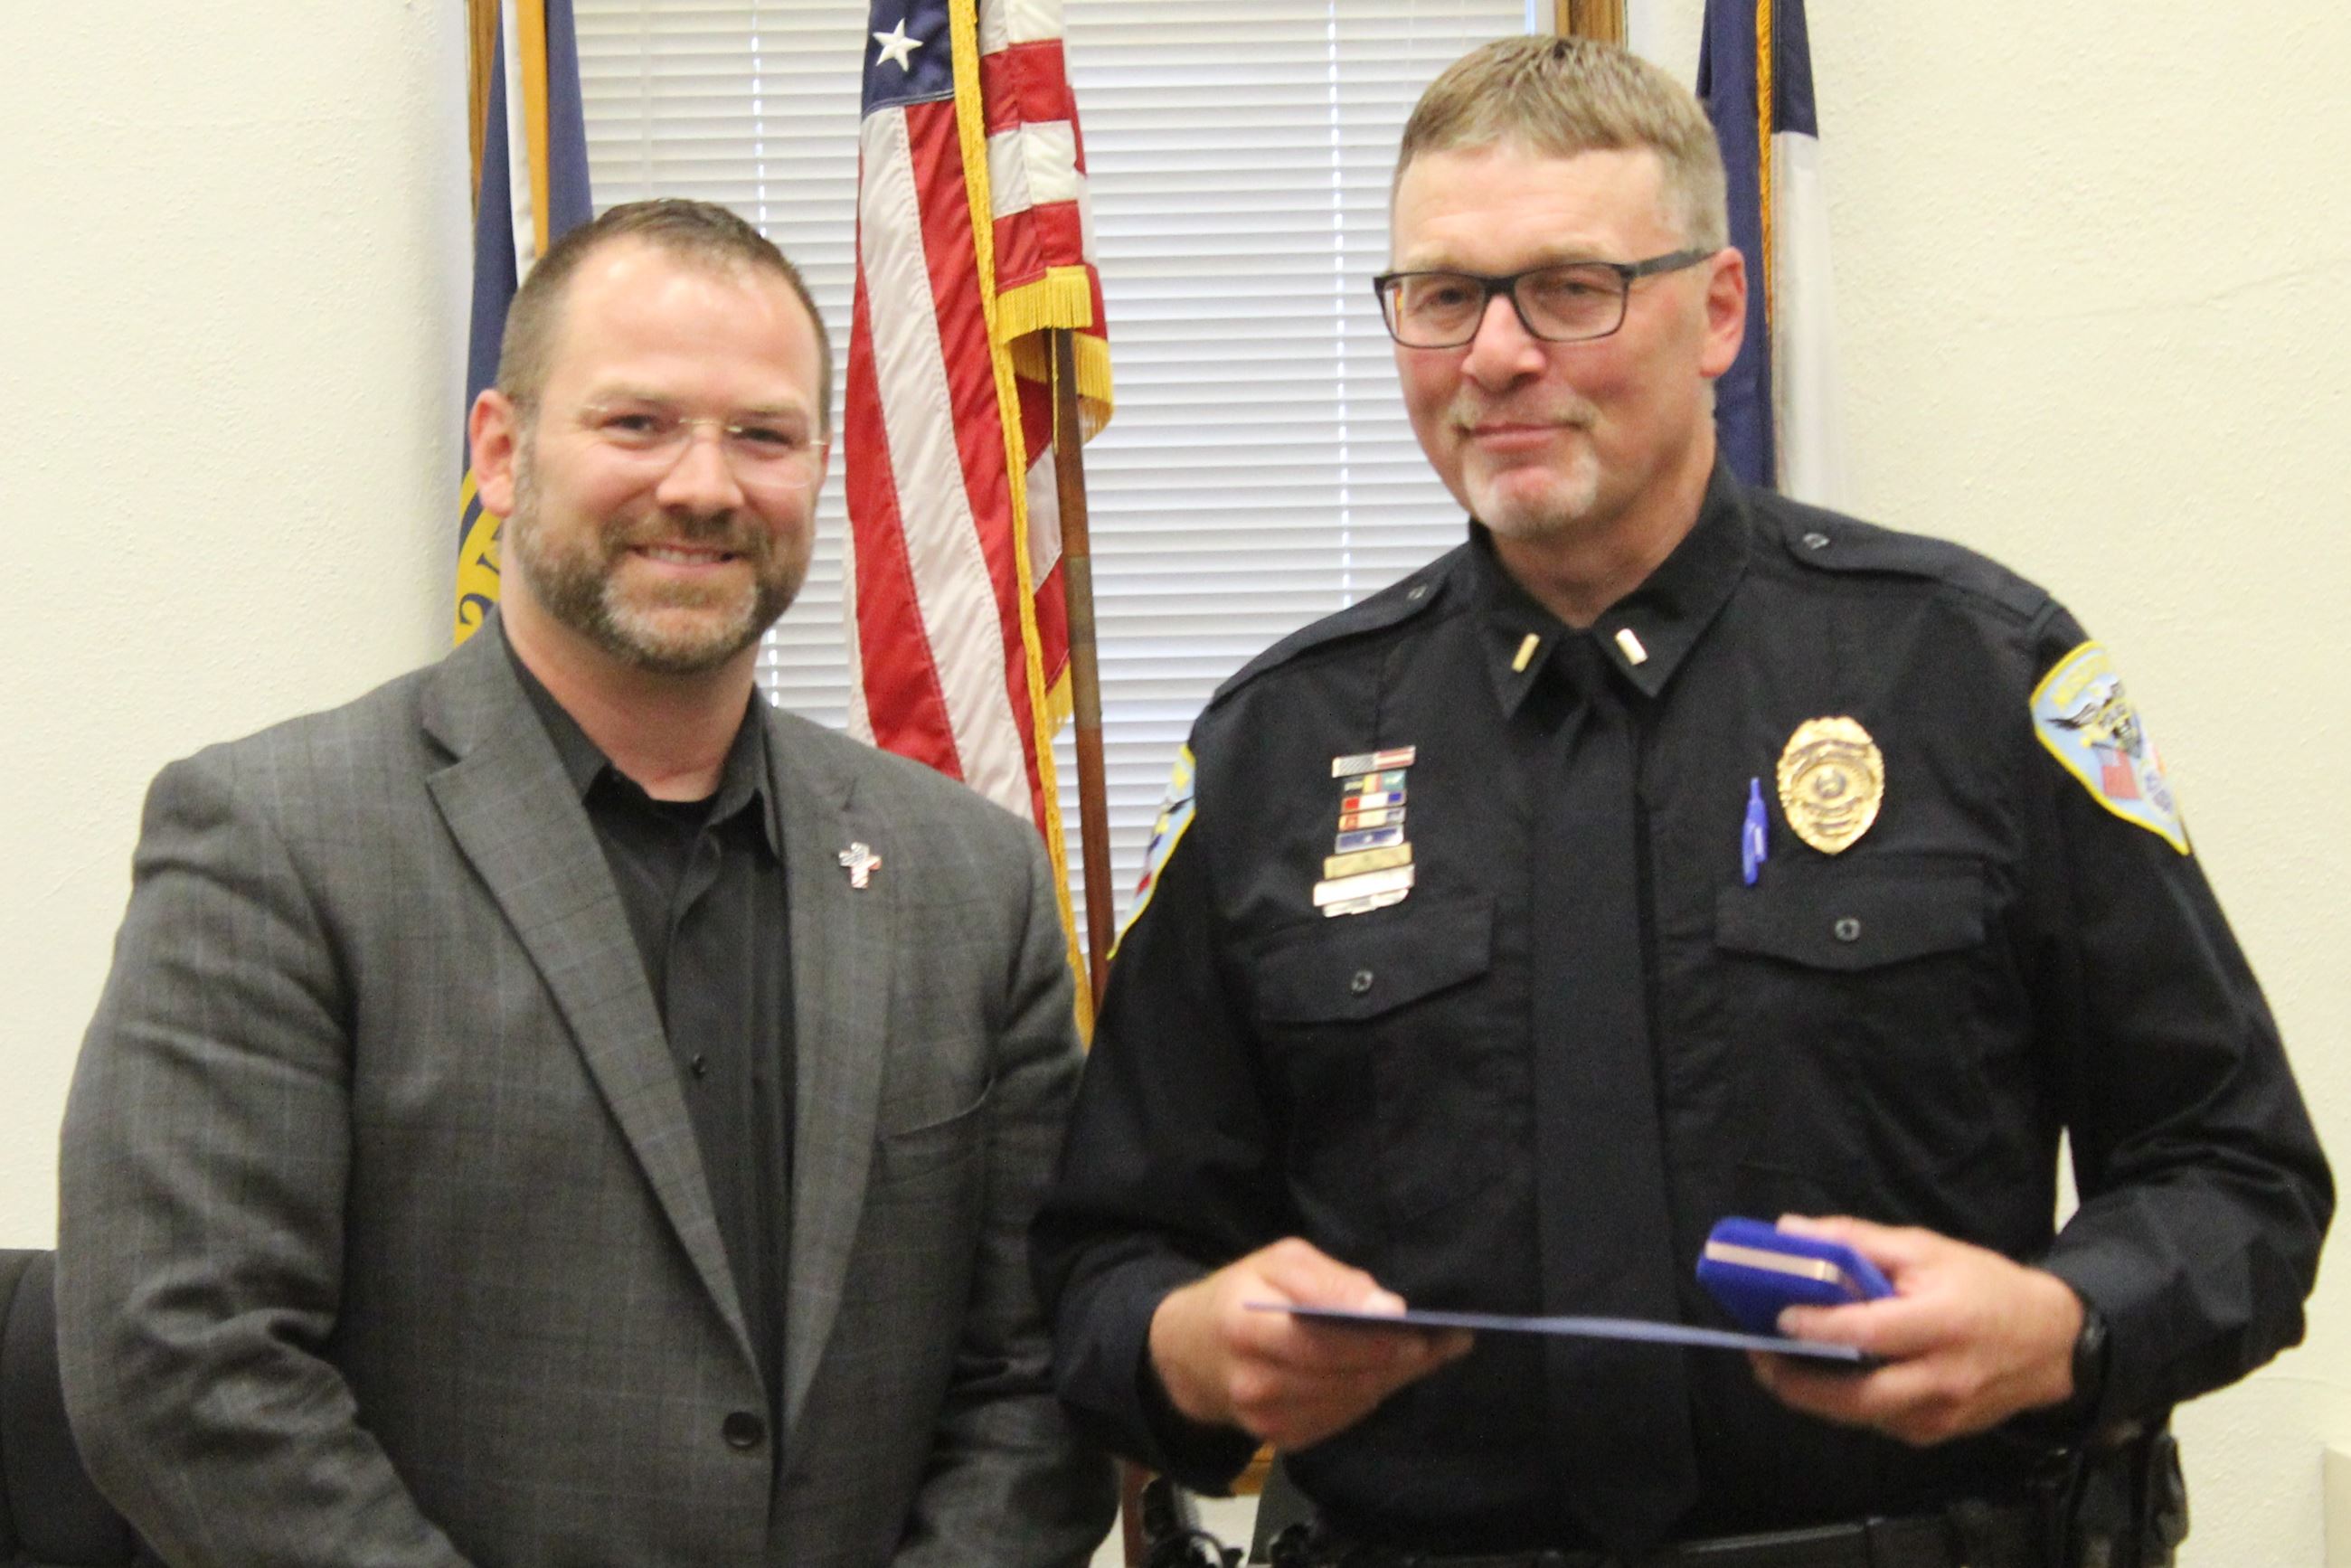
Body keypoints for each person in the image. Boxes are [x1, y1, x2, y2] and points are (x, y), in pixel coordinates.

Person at [1031, 36, 2331, 1568]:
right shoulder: (1279, 752)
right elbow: (1098, 1263)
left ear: (1719, 311)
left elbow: (2237, 1176)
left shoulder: (1969, 675)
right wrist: (1188, 1347)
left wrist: (2064, 1323)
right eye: (1444, 296)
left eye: (1574, 287)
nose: (1498, 356)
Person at [58, 198, 1110, 1568]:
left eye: (764, 434)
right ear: (501, 452)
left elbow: (1035, 1383)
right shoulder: (274, 840)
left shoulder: (970, 878)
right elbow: (177, 1363)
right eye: (637, 423)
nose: (704, 484)